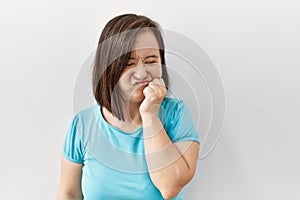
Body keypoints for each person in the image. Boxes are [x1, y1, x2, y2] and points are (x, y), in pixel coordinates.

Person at [57, 13, 200, 200]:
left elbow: (169, 187)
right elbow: (69, 193)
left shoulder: (177, 115)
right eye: (129, 63)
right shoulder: (83, 125)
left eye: (151, 61)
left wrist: (150, 115)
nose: (142, 73)